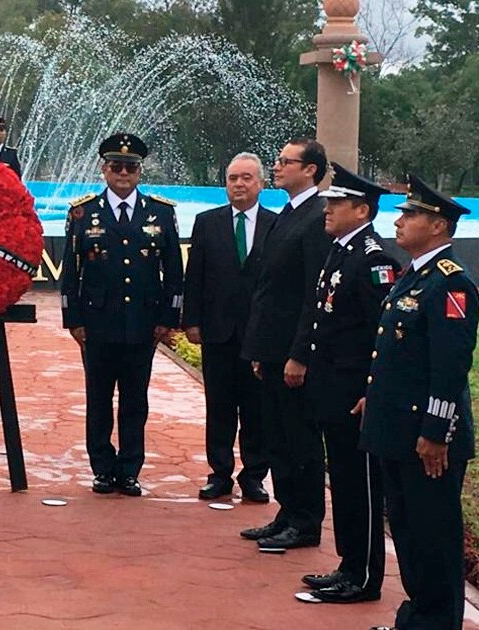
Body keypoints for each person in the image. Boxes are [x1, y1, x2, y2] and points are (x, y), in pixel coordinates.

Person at [360, 174, 476, 630]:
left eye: (412, 214)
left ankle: (436, 622)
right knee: (409, 534)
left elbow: (449, 368)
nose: (400, 220)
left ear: (439, 226)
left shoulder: (451, 283)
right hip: (397, 431)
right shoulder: (416, 276)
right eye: (403, 212)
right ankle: (418, 618)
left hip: (426, 438)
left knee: (433, 537)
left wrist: (434, 432)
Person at [59, 133, 183, 496]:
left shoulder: (160, 212)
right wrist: (74, 320)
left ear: (140, 171)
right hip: (97, 324)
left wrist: (168, 318)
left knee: (135, 400)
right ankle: (101, 467)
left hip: (142, 324)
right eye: (116, 166)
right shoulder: (83, 212)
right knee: (98, 399)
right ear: (104, 169)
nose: (123, 173)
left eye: (130, 167)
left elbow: (173, 272)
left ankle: (129, 469)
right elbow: (71, 272)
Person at [297, 163, 398, 605]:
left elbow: (381, 334)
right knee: (341, 479)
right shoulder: (340, 250)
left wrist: (369, 391)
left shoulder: (373, 259)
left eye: (336, 204)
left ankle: (365, 576)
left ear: (361, 209)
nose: (327, 210)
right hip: (332, 388)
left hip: (354, 393)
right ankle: (348, 564)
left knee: (361, 485)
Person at [239, 138, 330, 551]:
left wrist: (299, 354)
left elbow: (314, 292)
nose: (276, 167)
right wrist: (261, 349)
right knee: (277, 435)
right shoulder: (290, 212)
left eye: (285, 162)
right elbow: (269, 287)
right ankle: (287, 511)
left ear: (310, 169)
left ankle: (306, 520)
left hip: (293, 353)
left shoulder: (317, 217)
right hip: (272, 349)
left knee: (299, 438)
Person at [182, 152, 275, 503]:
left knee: (256, 409)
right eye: (233, 178)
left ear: (260, 184)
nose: (239, 184)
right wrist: (190, 321)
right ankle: (219, 474)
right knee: (219, 406)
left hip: (258, 336)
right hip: (217, 331)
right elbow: (196, 277)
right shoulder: (207, 223)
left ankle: (253, 475)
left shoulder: (275, 224)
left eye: (246, 178)